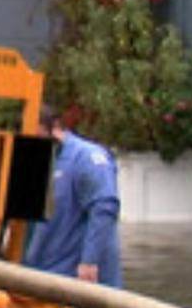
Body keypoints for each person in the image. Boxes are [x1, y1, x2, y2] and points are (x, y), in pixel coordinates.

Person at [24, 104, 122, 289]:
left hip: (78, 280)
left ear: (54, 127)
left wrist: (90, 260)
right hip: (43, 275)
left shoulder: (87, 158)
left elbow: (104, 208)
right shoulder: (37, 159)